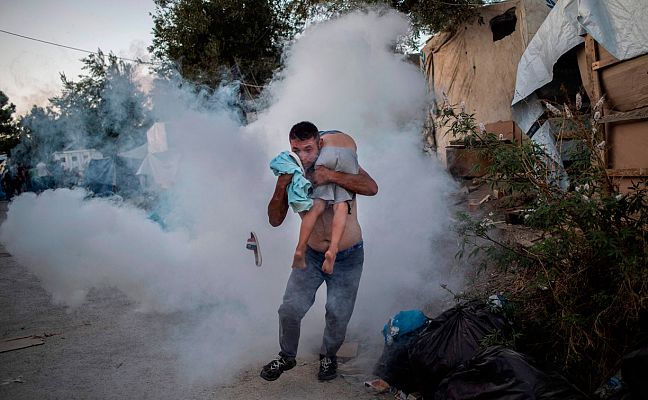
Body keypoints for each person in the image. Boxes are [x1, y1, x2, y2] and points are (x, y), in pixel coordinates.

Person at [261, 121, 378, 382]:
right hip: (312, 256)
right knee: (289, 309)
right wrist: (282, 185)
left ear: (319, 144)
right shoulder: (292, 171)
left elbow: (371, 187)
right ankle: (286, 356)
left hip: (347, 255)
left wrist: (331, 176)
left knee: (337, 313)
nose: (303, 156)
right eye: (296, 149)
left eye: (308, 149)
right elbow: (274, 220)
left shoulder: (338, 163)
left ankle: (328, 356)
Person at [291, 128, 359, 274]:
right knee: (341, 206)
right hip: (347, 155)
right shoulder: (343, 140)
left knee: (316, 207)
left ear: (319, 142)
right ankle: (333, 250)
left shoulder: (321, 149)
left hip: (326, 158)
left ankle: (300, 248)